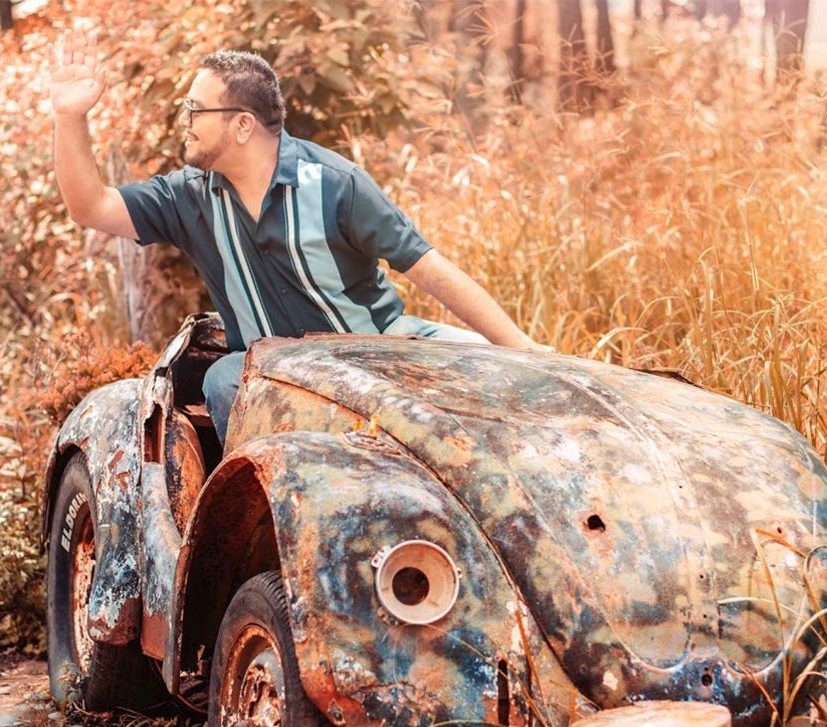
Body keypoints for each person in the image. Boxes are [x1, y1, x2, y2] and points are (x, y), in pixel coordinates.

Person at [49, 29, 545, 443]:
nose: (186, 124)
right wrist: (70, 117)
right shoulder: (189, 198)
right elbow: (90, 205)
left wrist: (519, 348)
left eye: (196, 111)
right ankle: (263, 525)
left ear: (242, 125)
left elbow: (430, 268)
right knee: (224, 378)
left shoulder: (335, 183)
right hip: (275, 375)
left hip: (376, 352)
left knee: (499, 370)